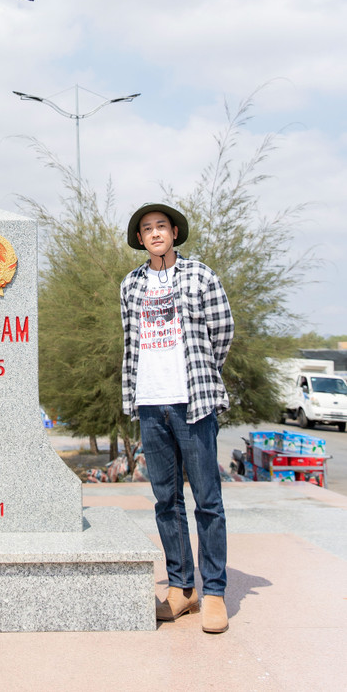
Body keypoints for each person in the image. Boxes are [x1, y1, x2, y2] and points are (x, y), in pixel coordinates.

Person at [120, 203, 234, 635]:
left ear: (174, 232)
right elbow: (130, 342)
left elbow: (223, 332)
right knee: (166, 502)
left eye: (161, 226)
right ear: (140, 239)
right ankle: (182, 588)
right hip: (150, 403)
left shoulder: (200, 275)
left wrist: (202, 373)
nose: (154, 233)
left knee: (208, 500)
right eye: (147, 229)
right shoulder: (131, 284)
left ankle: (214, 591)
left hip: (193, 403)